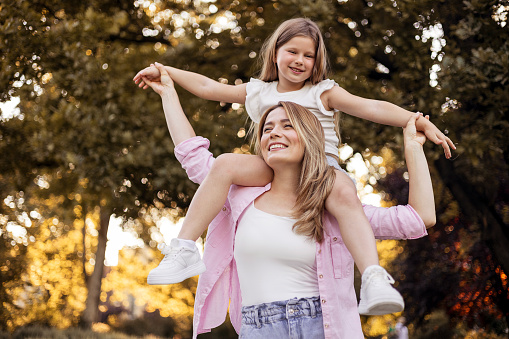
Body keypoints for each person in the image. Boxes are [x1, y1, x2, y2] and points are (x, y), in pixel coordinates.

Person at [134, 18, 451, 315]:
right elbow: (208, 89)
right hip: (272, 169)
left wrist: (414, 121)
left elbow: (370, 107)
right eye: (293, 52)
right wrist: (169, 73)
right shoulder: (258, 91)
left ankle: (373, 276)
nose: (300, 60)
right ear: (275, 53)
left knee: (342, 191)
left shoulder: (322, 92)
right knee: (227, 163)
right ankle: (185, 247)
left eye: (309, 55)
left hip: (320, 170)